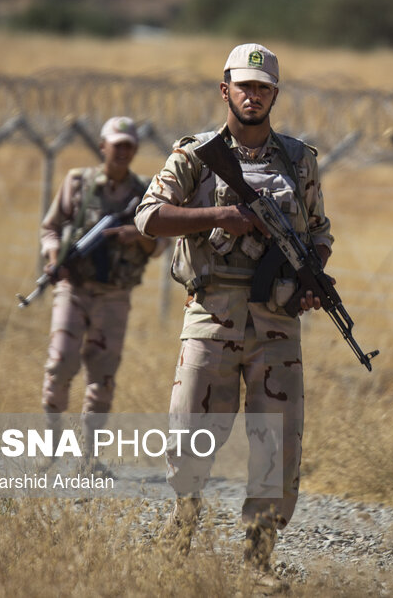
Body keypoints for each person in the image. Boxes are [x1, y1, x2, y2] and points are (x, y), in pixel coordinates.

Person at [134, 43, 333, 571]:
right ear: (226, 90)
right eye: (245, 86)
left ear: (275, 95)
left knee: (278, 446)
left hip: (276, 325)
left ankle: (257, 560)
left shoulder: (299, 161)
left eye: (263, 88)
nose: (254, 95)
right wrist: (220, 215)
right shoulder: (195, 156)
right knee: (188, 435)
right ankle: (182, 525)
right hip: (210, 317)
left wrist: (310, 278)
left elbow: (318, 235)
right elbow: (148, 217)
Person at [39, 116, 163, 471]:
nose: (122, 151)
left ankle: (87, 457)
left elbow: (159, 246)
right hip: (74, 289)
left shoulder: (145, 194)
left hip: (114, 296)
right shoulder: (78, 183)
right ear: (102, 146)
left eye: (129, 145)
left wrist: (137, 236)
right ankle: (50, 445)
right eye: (116, 144)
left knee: (102, 377)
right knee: (60, 363)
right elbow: (50, 228)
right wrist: (54, 258)